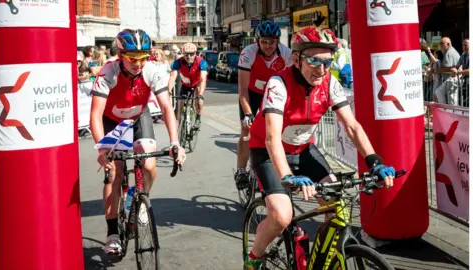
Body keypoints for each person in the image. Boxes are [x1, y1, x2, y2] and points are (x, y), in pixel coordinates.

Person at [243, 26, 396, 269]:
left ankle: (319, 259)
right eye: (314, 60)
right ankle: (255, 256)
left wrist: (374, 160)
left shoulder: (329, 82)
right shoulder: (278, 83)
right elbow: (272, 137)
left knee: (338, 208)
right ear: (296, 59)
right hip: (269, 153)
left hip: (303, 150)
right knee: (282, 216)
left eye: (327, 61)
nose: (321, 69)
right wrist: (287, 176)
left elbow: (352, 126)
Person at [90, 28, 186, 255]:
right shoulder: (108, 73)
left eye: (143, 58)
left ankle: (139, 197)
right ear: (121, 55)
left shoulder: (152, 71)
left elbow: (166, 107)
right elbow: (95, 115)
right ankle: (112, 232)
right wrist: (103, 148)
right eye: (133, 58)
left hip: (138, 117)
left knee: (150, 165)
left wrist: (175, 142)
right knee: (115, 173)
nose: (138, 64)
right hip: (112, 122)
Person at [234, 19, 292, 190]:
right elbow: (242, 89)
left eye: (272, 42)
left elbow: (292, 83)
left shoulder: (286, 54)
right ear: (257, 40)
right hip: (252, 93)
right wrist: (248, 113)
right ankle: (241, 171)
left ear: (278, 41)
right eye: (264, 41)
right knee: (247, 130)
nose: (268, 45)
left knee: (279, 129)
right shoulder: (248, 53)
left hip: (275, 93)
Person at [167, 42, 208, 129]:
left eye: (191, 54)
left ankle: (198, 117)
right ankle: (178, 122)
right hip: (185, 84)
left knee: (198, 101)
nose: (188, 57)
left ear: (195, 53)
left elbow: (203, 79)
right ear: (183, 54)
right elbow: (172, 77)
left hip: (197, 83)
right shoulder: (178, 62)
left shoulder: (201, 62)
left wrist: (200, 94)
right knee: (180, 102)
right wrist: (169, 91)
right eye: (186, 54)